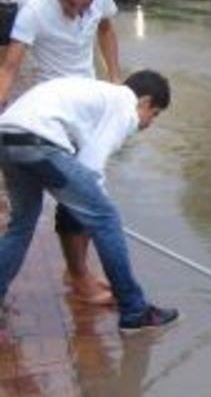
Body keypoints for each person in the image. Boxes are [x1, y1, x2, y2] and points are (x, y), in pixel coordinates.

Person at [0, 71, 179, 333]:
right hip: (36, 139)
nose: (150, 123)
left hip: (6, 136)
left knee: (22, 224)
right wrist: (96, 207)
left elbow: (77, 164)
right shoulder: (124, 105)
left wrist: (80, 203)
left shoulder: (99, 97)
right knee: (106, 218)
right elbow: (91, 166)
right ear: (145, 101)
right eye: (155, 114)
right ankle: (134, 310)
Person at [0, 0, 122, 305]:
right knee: (72, 200)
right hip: (52, 116)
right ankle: (80, 276)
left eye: (84, 6)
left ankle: (77, 271)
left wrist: (115, 80)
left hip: (88, 109)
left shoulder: (98, 0)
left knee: (84, 195)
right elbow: (9, 67)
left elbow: (106, 29)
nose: (76, 12)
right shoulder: (34, 11)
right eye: (69, 4)